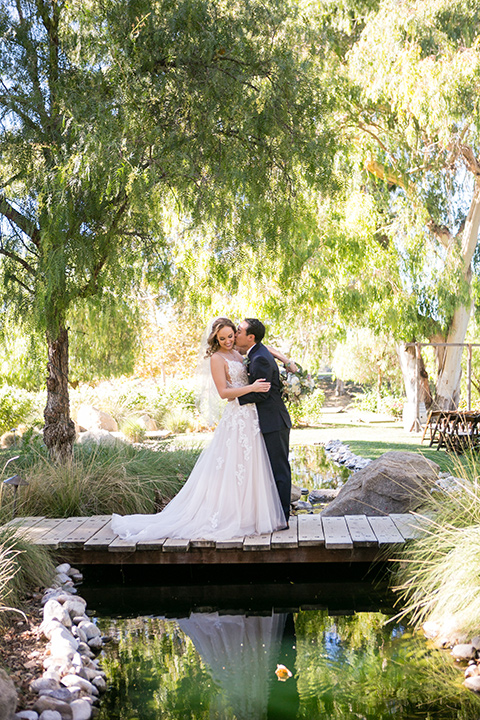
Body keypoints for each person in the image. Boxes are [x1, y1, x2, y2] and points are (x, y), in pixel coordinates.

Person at [111, 317, 288, 542]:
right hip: (236, 416)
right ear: (215, 339)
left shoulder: (238, 354)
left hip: (251, 418)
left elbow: (262, 350)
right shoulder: (217, 358)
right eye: (221, 338)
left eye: (230, 336)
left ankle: (251, 515)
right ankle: (229, 516)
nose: (227, 341)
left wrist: (284, 359)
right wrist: (251, 387)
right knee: (233, 465)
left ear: (236, 334)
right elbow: (224, 393)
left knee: (251, 465)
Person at [235, 319, 292, 526]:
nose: (235, 332)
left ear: (250, 337)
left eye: (239, 330)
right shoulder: (256, 353)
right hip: (268, 421)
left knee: (279, 470)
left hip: (274, 422)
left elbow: (263, 394)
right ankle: (273, 515)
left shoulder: (260, 359)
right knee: (269, 469)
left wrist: (235, 398)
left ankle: (282, 518)